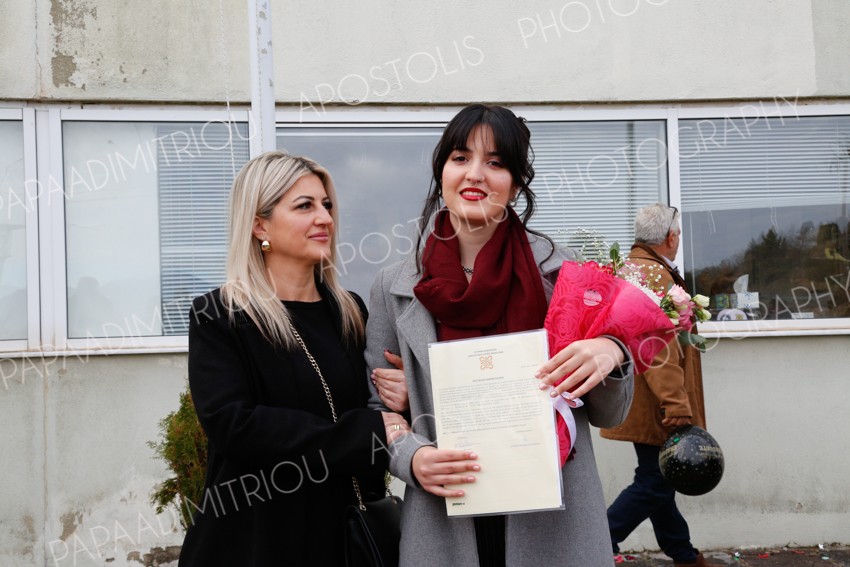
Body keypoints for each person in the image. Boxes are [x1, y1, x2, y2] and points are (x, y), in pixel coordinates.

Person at [368, 104, 635, 567]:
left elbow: (609, 414)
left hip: (553, 522)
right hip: (446, 519)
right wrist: (410, 457)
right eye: (460, 157)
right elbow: (375, 410)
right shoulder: (393, 287)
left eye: (495, 162)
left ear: (515, 183)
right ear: (441, 171)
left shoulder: (564, 276)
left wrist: (611, 351)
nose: (475, 174)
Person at [178, 151, 409, 566]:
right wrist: (365, 433)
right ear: (259, 225)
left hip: (343, 539)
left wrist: (403, 397)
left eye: (327, 205)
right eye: (305, 206)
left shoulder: (350, 311)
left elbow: (380, 411)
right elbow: (235, 426)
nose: (324, 218)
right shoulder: (221, 315)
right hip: (256, 540)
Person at [600, 203, 714, 567]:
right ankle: (598, 542)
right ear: (671, 236)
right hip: (657, 400)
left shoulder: (632, 268)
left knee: (660, 478)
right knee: (655, 480)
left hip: (642, 394)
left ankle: (684, 555)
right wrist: (675, 401)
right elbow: (656, 345)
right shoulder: (652, 275)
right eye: (678, 234)